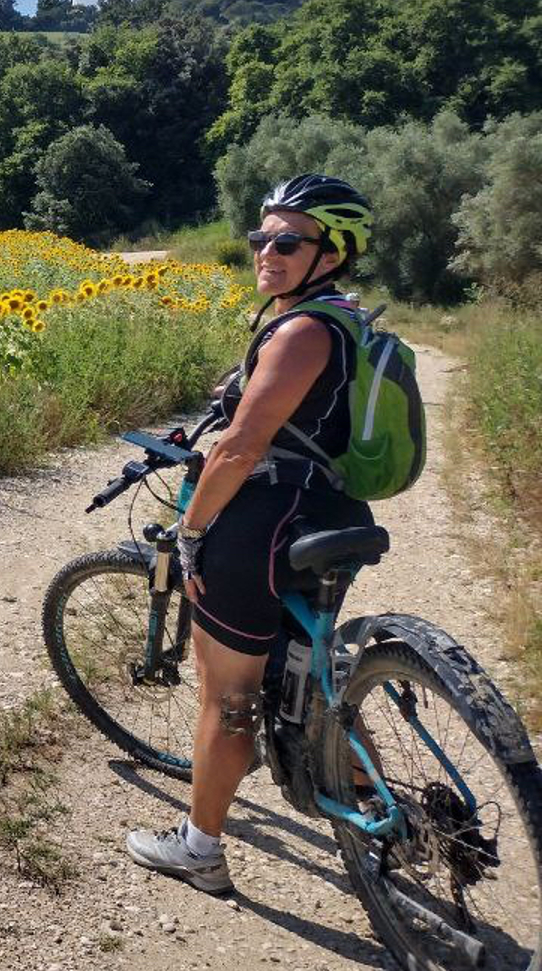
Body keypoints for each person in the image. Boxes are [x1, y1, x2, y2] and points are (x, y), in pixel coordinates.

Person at [124, 174, 377, 894]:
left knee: (227, 696)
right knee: (308, 669)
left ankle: (199, 850)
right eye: (262, 236)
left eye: (288, 240)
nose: (268, 250)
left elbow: (240, 449)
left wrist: (192, 529)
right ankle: (370, 793)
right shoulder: (342, 317)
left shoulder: (302, 330)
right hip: (329, 514)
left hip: (266, 521)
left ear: (333, 251)